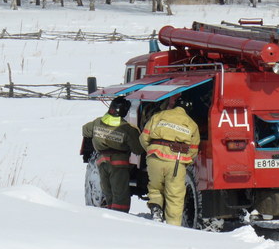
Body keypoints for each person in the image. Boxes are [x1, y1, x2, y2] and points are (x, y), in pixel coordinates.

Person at [140, 96, 200, 226]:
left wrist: (151, 151)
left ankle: (156, 209)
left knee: (155, 187)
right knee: (175, 196)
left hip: (154, 158)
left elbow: (144, 137)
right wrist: (186, 161)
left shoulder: (159, 115)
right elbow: (193, 149)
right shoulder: (192, 124)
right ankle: (173, 227)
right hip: (176, 162)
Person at [81, 96, 144, 212]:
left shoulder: (97, 122)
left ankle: (110, 218)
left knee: (108, 194)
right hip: (118, 166)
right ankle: (119, 219)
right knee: (120, 198)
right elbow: (138, 150)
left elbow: (85, 130)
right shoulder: (127, 129)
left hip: (101, 163)